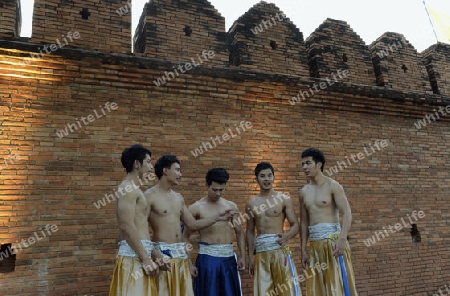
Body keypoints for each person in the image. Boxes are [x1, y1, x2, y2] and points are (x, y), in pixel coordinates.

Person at [145, 155, 234, 296]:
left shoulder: (178, 197)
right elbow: (140, 230)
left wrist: (217, 217)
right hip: (162, 255)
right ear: (165, 171)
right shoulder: (149, 196)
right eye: (177, 170)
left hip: (180, 255)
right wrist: (154, 254)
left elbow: (192, 225)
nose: (180, 174)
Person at [109, 144, 168, 296]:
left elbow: (140, 229)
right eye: (148, 162)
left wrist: (154, 254)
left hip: (140, 257)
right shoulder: (127, 189)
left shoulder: (134, 190)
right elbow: (126, 226)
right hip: (133, 259)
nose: (151, 167)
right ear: (137, 164)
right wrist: (146, 258)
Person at [299, 148, 358, 295]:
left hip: (334, 245)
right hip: (315, 246)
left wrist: (342, 238)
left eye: (308, 163)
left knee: (337, 286)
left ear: (319, 164)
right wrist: (303, 249)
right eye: (303, 164)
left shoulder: (333, 186)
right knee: (318, 288)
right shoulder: (303, 192)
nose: (304, 167)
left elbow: (347, 213)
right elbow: (304, 222)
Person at [184, 168, 245, 296]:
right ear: (207, 185)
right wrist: (189, 263)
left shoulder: (231, 206)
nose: (218, 193)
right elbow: (184, 237)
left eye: (221, 190)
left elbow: (239, 232)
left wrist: (242, 256)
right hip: (207, 258)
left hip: (228, 258)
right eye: (214, 189)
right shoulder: (196, 207)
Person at [246, 162, 302, 296]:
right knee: (264, 292)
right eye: (262, 176)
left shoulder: (283, 199)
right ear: (256, 179)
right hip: (261, 252)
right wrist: (250, 256)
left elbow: (295, 224)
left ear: (274, 177)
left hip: (279, 250)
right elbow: (249, 231)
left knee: (286, 290)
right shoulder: (251, 203)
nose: (267, 179)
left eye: (270, 175)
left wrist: (287, 236)